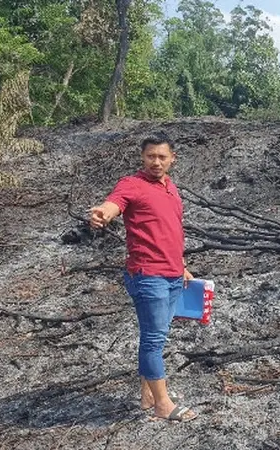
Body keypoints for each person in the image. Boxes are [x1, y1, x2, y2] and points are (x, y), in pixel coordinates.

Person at [89, 134, 198, 422]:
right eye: (151, 156)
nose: (156, 162)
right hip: (149, 275)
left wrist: (181, 265)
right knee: (153, 339)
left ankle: (148, 395)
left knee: (154, 337)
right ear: (143, 157)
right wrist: (104, 213)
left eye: (162, 157)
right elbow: (114, 203)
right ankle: (163, 404)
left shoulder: (170, 187)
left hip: (173, 272)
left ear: (172, 158)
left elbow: (170, 230)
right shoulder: (132, 184)